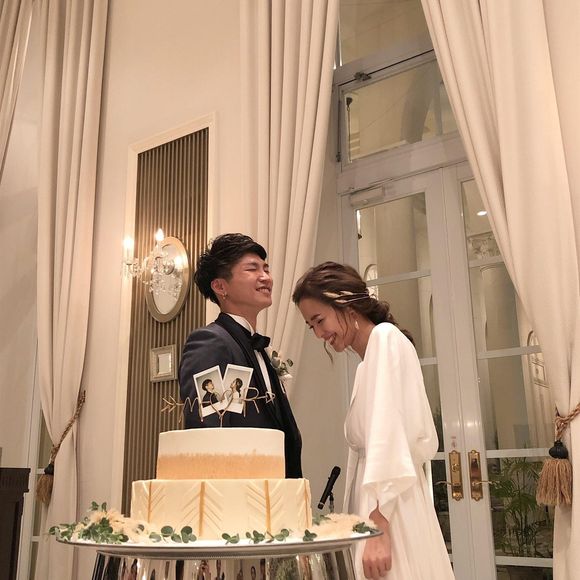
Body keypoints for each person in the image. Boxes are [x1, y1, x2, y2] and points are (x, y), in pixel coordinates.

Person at [292, 262, 454, 580]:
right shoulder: (365, 366)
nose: (319, 334)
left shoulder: (385, 339)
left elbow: (390, 438)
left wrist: (379, 525)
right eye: (311, 327)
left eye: (319, 320)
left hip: (391, 506)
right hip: (379, 504)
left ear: (346, 303)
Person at [179, 233, 302, 478]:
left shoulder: (258, 348)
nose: (265, 277)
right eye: (252, 269)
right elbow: (210, 429)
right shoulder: (212, 343)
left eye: (266, 269)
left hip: (276, 487)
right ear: (220, 286)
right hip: (240, 490)